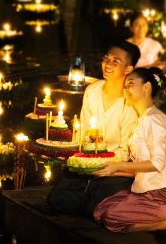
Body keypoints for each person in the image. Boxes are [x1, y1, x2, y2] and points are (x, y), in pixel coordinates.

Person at [93, 67, 166, 233]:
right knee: (99, 211)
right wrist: (107, 169)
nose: (125, 90)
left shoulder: (154, 119)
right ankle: (163, 219)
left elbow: (157, 164)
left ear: (146, 87)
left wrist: (119, 166)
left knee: (111, 218)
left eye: (130, 84)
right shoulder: (143, 119)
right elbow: (139, 169)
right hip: (147, 192)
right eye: (124, 86)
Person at [47, 40, 140, 217]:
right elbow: (83, 130)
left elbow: (126, 150)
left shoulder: (131, 101)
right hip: (88, 160)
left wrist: (102, 162)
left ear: (128, 69)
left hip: (116, 167)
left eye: (116, 61)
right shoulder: (92, 90)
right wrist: (86, 157)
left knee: (95, 205)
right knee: (57, 200)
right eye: (106, 59)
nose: (108, 64)